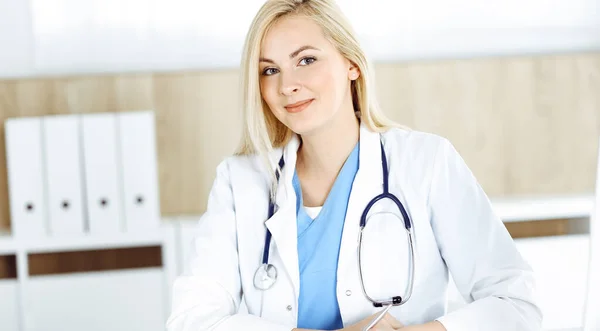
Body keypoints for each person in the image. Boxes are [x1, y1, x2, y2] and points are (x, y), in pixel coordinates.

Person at [166, 0, 542, 330]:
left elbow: (515, 304)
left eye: (306, 60)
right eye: (269, 70)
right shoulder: (240, 181)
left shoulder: (426, 163)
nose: (287, 85)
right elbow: (192, 319)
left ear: (352, 64)